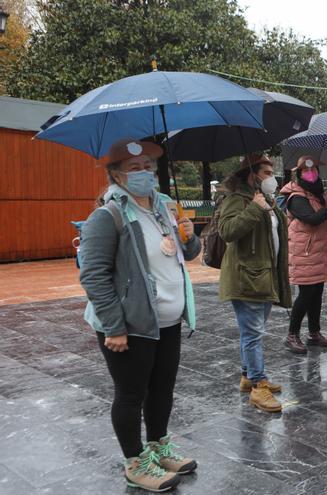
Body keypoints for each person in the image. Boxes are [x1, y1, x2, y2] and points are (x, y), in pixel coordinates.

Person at [79, 140, 199, 492]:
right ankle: (135, 461)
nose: (144, 173)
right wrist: (115, 326)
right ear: (115, 175)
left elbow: (185, 255)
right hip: (129, 325)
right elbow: (93, 274)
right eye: (134, 168)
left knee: (162, 388)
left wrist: (189, 238)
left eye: (148, 166)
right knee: (131, 394)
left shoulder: (165, 208)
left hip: (168, 320)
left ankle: (158, 446)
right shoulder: (108, 216)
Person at [219, 154, 292, 413]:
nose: (272, 177)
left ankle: (247, 376)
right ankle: (258, 385)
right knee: (253, 333)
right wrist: (254, 209)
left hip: (264, 274)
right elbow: (227, 231)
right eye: (266, 172)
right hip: (245, 276)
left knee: (252, 330)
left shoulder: (268, 200)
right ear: (252, 175)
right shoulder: (237, 200)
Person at [280, 156, 327, 353]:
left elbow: (325, 217)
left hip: (319, 251)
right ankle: (292, 335)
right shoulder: (296, 196)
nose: (312, 173)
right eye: (307, 171)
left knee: (317, 295)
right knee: (305, 296)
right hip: (304, 253)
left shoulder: (317, 195)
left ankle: (314, 333)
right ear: (298, 174)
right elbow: (312, 219)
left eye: (315, 170)